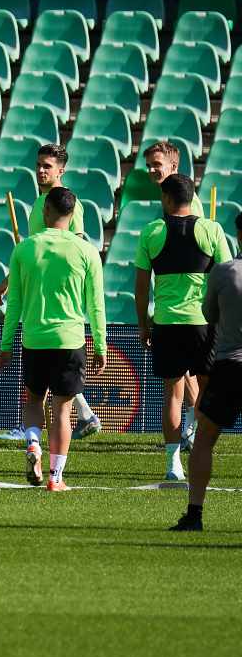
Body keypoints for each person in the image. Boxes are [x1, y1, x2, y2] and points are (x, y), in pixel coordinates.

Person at [0, 187, 107, 490]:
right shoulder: (86, 251)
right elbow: (96, 304)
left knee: (34, 400)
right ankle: (56, 477)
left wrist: (6, 344)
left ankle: (33, 443)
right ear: (73, 215)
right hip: (70, 340)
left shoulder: (24, 249)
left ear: (45, 211)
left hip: (34, 339)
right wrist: (100, 345)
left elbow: (14, 303)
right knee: (62, 411)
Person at [0, 143, 103, 441]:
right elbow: (32, 253)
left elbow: (72, 248)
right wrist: (9, 281)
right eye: (39, 165)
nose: (41, 170)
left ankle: (34, 431)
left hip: (55, 294)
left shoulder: (69, 204)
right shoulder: (40, 203)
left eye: (47, 166)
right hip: (39, 290)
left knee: (48, 370)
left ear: (61, 170)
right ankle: (84, 417)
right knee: (53, 370)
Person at [134, 174, 231, 481]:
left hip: (166, 323)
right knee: (206, 391)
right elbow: (228, 277)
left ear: (166, 198)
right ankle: (196, 441)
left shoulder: (151, 231)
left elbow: (141, 287)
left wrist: (143, 325)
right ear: (192, 197)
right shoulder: (212, 229)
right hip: (204, 323)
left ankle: (173, 463)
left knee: (173, 394)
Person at [171, 212, 242, 531]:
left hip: (229, 366)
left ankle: (194, 514)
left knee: (203, 441)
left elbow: (208, 313)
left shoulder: (225, 272)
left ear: (239, 235)